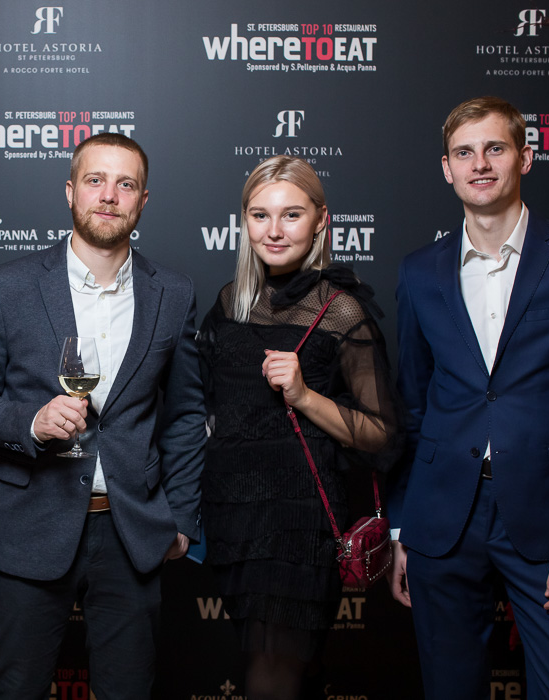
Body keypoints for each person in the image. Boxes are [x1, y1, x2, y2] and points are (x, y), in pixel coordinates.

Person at [0, 132, 206, 699]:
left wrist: (182, 518)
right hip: (30, 524)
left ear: (142, 201)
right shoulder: (9, 285)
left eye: (125, 184)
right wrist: (30, 423)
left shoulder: (173, 293)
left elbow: (186, 416)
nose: (109, 195)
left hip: (131, 532)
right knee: (16, 690)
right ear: (70, 192)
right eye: (95, 180)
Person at [391, 96, 549, 699]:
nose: (480, 164)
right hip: (443, 517)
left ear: (525, 157)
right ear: (447, 168)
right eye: (464, 152)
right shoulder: (419, 272)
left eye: (495, 148)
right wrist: (402, 527)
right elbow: (412, 406)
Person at [197, 155, 399, 700]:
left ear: (320, 220)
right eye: (260, 215)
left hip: (299, 521)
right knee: (284, 671)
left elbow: (381, 432)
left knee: (271, 677)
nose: (274, 230)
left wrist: (306, 397)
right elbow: (210, 405)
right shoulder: (230, 303)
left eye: (291, 214)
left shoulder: (341, 311)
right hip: (235, 517)